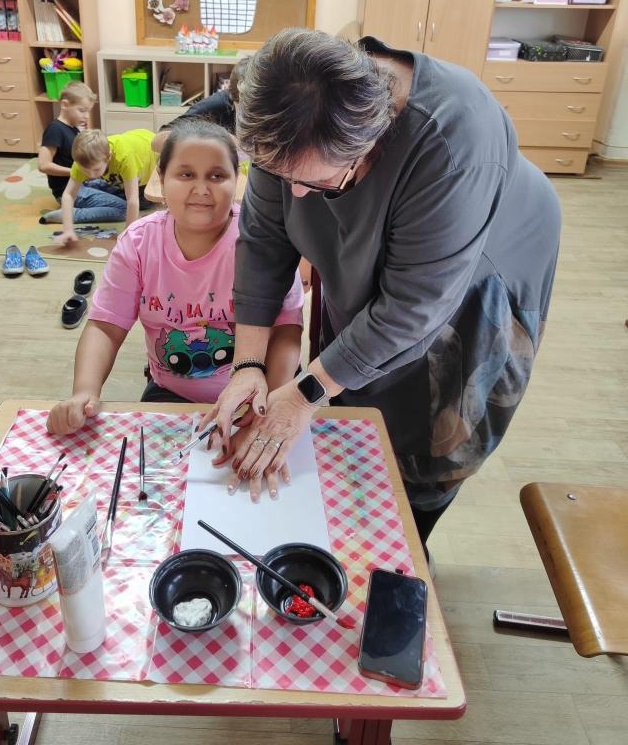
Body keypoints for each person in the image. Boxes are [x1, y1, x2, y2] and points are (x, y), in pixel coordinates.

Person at [203, 28, 561, 540]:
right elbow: (262, 243)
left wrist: (302, 395)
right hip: (385, 224)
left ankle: (412, 536)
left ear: (371, 141)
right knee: (350, 378)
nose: (296, 195)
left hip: (481, 265)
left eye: (315, 183)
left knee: (434, 424)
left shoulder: (454, 138)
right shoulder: (285, 112)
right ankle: (353, 516)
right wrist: (247, 366)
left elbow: (411, 309)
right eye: (281, 177)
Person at [46, 120, 303, 438]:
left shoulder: (264, 242)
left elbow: (287, 330)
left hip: (260, 390)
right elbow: (106, 326)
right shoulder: (138, 243)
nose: (201, 189)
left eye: (217, 176)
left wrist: (268, 407)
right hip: (172, 393)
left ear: (236, 179)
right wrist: (84, 391)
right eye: (186, 174)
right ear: (161, 178)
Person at [56, 129, 156, 243]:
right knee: (117, 189)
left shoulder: (124, 157)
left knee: (145, 202)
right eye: (86, 171)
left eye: (96, 169)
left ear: (109, 157)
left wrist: (127, 234)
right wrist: (68, 229)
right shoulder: (82, 161)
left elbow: (132, 199)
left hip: (154, 153)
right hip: (125, 164)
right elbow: (68, 194)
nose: (91, 175)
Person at [151, 56, 249, 154]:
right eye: (247, 111)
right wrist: (217, 137)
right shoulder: (216, 105)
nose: (252, 120)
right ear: (233, 99)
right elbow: (157, 142)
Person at [37, 81, 96, 203]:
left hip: (81, 184)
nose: (87, 116)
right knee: (120, 206)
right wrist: (77, 172)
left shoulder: (74, 128)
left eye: (88, 111)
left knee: (122, 191)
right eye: (82, 110)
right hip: (68, 191)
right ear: (65, 105)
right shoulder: (55, 129)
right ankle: (69, 211)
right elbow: (43, 165)